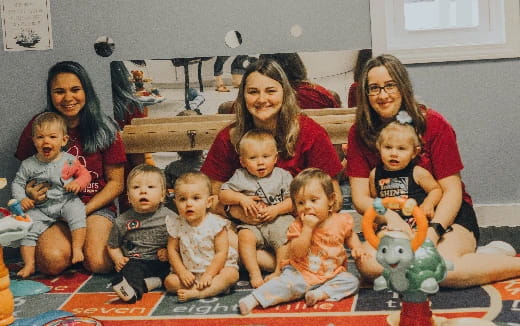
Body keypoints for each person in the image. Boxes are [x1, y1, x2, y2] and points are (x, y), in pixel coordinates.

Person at [346, 54, 520, 288]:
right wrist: (390, 217)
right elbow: (360, 198)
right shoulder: (359, 133)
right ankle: (486, 256)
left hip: (445, 215)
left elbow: (452, 191)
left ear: (403, 86)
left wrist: (433, 232)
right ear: (365, 94)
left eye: (390, 85)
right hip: (394, 218)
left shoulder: (434, 124)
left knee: (439, 268)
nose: (383, 95)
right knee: (371, 266)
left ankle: (498, 261)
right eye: (374, 88)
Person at [200, 58, 343, 272]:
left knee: (330, 225)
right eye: (253, 92)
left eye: (270, 91)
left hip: (297, 225)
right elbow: (209, 198)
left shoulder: (309, 131)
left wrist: (296, 210)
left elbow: (335, 198)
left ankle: (267, 261)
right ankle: (275, 262)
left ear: (284, 93)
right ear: (242, 97)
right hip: (246, 229)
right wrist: (235, 211)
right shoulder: (229, 137)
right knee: (204, 224)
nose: (262, 99)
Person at [15, 61, 126, 275]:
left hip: (93, 207)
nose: (68, 98)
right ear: (50, 94)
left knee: (100, 263)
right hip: (51, 209)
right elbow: (26, 172)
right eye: (59, 91)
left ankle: (84, 248)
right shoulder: (38, 126)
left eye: (75, 90)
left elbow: (116, 184)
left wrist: (80, 212)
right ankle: (65, 250)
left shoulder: (105, 128)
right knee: (52, 262)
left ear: (86, 91)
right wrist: (29, 192)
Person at [239, 168, 364, 315]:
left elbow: (349, 236)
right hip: (301, 272)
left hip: (332, 274)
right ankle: (254, 299)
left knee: (352, 281)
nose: (307, 206)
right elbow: (297, 252)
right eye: (301, 203)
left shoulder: (342, 220)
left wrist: (357, 247)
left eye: (314, 200)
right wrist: (308, 229)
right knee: (286, 285)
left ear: (330, 200)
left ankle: (320, 293)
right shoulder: (298, 226)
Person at [12, 112, 91, 278]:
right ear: (34, 140)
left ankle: (77, 248)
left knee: (77, 212)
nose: (46, 141)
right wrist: (22, 199)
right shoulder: (29, 164)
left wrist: (78, 183)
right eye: (40, 137)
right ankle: (29, 265)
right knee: (29, 228)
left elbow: (85, 175)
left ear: (63, 140)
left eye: (52, 137)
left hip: (65, 201)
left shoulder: (69, 160)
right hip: (40, 208)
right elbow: (17, 183)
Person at [219, 129, 294, 288]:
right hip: (252, 224)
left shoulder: (283, 175)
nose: (260, 162)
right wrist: (241, 198)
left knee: (286, 233)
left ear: (275, 158)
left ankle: (280, 270)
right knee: (244, 237)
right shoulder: (240, 175)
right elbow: (223, 194)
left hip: (278, 219)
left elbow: (293, 201)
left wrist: (277, 209)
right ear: (243, 162)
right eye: (253, 158)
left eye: (265, 157)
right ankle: (254, 273)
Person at [164, 172, 239, 302]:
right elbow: (172, 251)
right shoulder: (176, 224)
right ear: (175, 202)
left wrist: (210, 274)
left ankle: (199, 294)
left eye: (196, 198)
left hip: (216, 271)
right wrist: (182, 272)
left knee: (231, 275)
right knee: (170, 282)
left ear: (208, 202)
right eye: (182, 199)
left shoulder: (216, 224)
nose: (189, 204)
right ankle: (207, 289)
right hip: (190, 273)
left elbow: (222, 252)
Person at [108, 164, 172, 303]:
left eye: (150, 187)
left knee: (177, 272)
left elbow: (181, 240)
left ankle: (154, 282)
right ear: (129, 197)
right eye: (136, 187)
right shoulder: (122, 221)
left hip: (164, 261)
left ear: (162, 195)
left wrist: (170, 252)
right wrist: (118, 259)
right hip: (137, 261)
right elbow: (112, 245)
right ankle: (132, 292)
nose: (143, 191)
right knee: (130, 271)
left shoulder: (171, 218)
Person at [369, 114, 442, 221]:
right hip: (390, 223)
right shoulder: (374, 174)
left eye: (401, 149)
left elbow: (436, 190)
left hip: (416, 222)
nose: (393, 153)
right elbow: (375, 198)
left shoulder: (418, 173)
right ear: (379, 148)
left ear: (414, 152)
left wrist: (428, 204)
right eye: (388, 147)